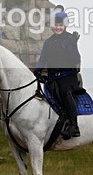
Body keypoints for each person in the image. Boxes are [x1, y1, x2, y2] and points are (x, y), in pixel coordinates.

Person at [34, 9, 82, 139]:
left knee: (65, 93)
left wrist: (73, 45)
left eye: (61, 25)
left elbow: (75, 59)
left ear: (65, 26)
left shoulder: (69, 39)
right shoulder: (48, 42)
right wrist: (36, 71)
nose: (58, 27)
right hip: (52, 77)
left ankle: (73, 126)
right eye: (56, 25)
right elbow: (43, 59)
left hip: (68, 76)